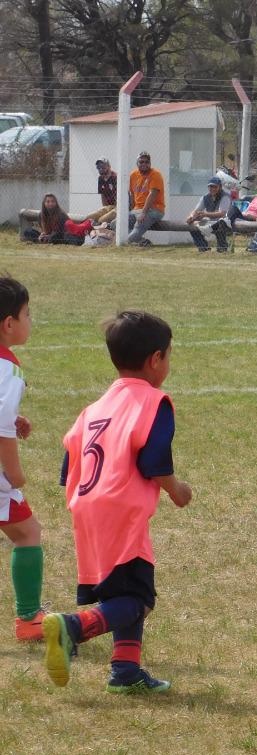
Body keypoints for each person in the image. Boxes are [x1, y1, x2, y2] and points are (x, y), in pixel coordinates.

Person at [42, 311, 193, 694]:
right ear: (155, 359)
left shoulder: (94, 408)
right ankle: (72, 627)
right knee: (139, 598)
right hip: (120, 508)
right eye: (169, 356)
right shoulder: (153, 402)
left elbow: (69, 462)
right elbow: (154, 459)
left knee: (120, 592)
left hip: (86, 503)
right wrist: (178, 491)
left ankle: (125, 671)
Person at [0, 278, 46, 643]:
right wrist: (14, 473)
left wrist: (13, 419)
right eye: (28, 314)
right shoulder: (8, 369)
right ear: (8, 325)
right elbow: (2, 429)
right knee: (27, 532)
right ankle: (29, 619)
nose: (31, 321)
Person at [125, 152, 165, 246]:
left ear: (150, 164)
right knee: (115, 224)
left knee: (132, 235)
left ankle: (128, 242)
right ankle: (143, 242)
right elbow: (131, 194)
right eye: (141, 162)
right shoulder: (133, 175)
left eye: (147, 162)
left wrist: (143, 213)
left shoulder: (156, 175)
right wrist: (131, 210)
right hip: (136, 210)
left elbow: (152, 194)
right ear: (137, 163)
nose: (144, 164)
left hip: (153, 210)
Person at [186, 176, 232, 252]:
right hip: (211, 222)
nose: (212, 189)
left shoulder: (225, 197)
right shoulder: (205, 197)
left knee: (221, 224)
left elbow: (222, 213)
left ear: (220, 187)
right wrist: (191, 217)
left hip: (225, 222)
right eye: (210, 186)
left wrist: (205, 214)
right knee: (192, 225)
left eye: (215, 186)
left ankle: (222, 248)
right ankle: (203, 247)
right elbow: (196, 210)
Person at [22, 194, 90, 244]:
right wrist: (41, 235)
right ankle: (40, 240)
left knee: (60, 237)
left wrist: (48, 236)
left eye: (52, 201)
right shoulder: (41, 215)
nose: (50, 203)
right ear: (44, 203)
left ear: (56, 203)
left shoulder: (61, 214)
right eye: (48, 202)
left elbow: (59, 232)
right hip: (49, 235)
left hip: (61, 235)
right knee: (27, 231)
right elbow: (44, 230)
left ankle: (44, 240)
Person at [87, 158, 118, 227]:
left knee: (101, 220)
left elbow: (119, 197)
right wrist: (105, 208)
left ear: (109, 166)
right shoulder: (100, 178)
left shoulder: (115, 177)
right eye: (98, 167)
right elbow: (103, 195)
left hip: (118, 207)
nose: (100, 169)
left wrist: (110, 211)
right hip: (109, 206)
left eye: (103, 166)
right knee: (89, 217)